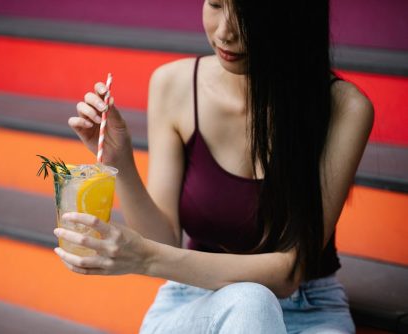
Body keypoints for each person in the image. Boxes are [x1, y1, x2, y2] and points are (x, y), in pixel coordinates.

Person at [53, 0, 374, 332]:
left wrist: (145, 257)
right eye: (215, 4)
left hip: (310, 310)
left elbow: (289, 272)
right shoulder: (174, 84)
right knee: (251, 301)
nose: (224, 32)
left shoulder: (343, 109)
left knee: (254, 300)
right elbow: (162, 239)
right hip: (193, 302)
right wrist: (119, 161)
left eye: (247, 16)